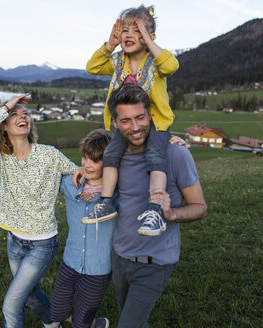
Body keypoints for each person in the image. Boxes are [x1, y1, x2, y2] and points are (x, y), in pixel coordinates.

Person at [0, 94, 77, 328]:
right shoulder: (1, 158)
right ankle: (54, 323)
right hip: (14, 240)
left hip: (41, 243)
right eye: (14, 114)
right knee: (29, 295)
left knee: (11, 305)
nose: (22, 116)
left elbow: (80, 172)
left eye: (25, 113)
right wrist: (6, 105)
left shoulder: (49, 155)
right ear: (4, 126)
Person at [107, 84, 207, 328]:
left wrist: (171, 213)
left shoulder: (176, 154)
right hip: (120, 258)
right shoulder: (113, 157)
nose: (135, 127)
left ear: (150, 114)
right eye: (126, 120)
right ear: (116, 122)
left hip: (154, 264)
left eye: (140, 117)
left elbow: (199, 206)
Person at [84, 4, 179, 237]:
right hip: (125, 124)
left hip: (154, 122)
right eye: (125, 30)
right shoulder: (117, 61)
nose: (129, 35)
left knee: (155, 158)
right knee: (110, 155)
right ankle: (106, 203)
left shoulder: (155, 62)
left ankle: (155, 210)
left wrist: (149, 41)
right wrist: (109, 45)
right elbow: (92, 67)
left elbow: (172, 65)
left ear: (149, 37)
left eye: (137, 31)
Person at [50, 129, 115, 328]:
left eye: (94, 160)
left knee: (80, 323)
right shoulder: (71, 184)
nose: (87, 164)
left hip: (98, 269)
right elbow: (45, 172)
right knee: (57, 311)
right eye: (85, 157)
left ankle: (87, 324)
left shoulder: (116, 193)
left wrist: (170, 141)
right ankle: (97, 324)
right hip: (70, 262)